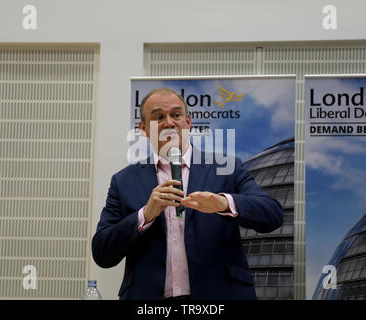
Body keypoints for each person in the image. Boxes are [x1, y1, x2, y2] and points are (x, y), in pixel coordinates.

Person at [92, 88, 284, 300]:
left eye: (176, 115)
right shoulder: (124, 181)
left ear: (188, 122)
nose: (169, 123)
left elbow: (273, 214)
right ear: (143, 129)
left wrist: (224, 203)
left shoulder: (226, 168)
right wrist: (145, 214)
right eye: (158, 117)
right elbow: (102, 253)